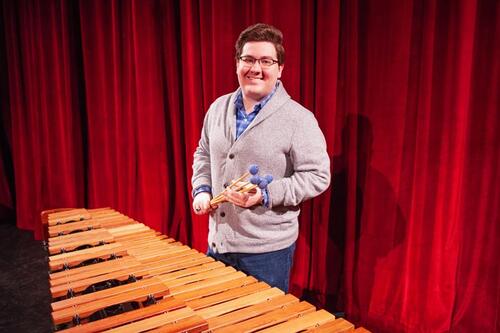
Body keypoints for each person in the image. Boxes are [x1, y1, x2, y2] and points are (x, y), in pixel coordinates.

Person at [191, 23, 330, 293]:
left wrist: (266, 194)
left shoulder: (299, 119)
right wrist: (202, 189)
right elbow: (203, 152)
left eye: (266, 61)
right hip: (218, 244)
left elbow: (317, 176)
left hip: (266, 254)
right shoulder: (217, 108)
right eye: (248, 59)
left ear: (280, 70)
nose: (256, 68)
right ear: (237, 64)